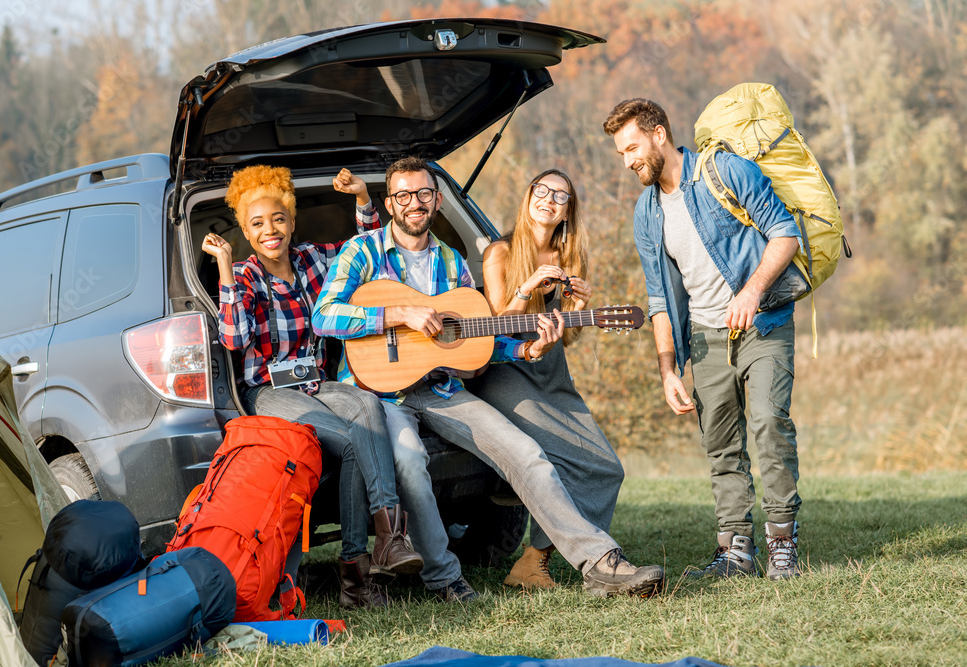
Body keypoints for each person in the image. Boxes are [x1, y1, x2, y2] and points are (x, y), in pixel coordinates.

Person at [312, 156, 665, 601]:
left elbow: (477, 338)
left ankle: (599, 562)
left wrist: (526, 348)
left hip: (443, 389)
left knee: (528, 453)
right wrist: (399, 314)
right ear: (390, 203)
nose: (414, 203)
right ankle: (444, 577)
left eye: (423, 194)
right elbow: (324, 315)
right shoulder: (361, 252)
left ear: (437, 200)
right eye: (403, 195)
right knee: (410, 461)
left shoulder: (452, 261)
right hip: (382, 392)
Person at [201, 164, 423, 608]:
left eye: (278, 219)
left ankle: (387, 541)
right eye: (258, 223)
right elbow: (232, 338)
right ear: (245, 228)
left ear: (292, 220)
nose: (270, 230)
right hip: (266, 391)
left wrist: (363, 199)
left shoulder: (313, 260)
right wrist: (225, 267)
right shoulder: (244, 276)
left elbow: (367, 250)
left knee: (367, 405)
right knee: (354, 442)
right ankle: (358, 570)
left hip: (316, 382)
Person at [603, 98, 804, 580]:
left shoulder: (724, 171)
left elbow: (785, 233)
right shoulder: (646, 212)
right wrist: (668, 367)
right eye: (621, 154)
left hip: (764, 324)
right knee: (720, 443)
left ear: (659, 133)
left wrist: (753, 291)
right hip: (705, 337)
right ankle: (735, 551)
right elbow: (658, 296)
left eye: (632, 147)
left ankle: (782, 544)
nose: (629, 161)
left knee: (769, 424)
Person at [466, 169, 626, 590]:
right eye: (542, 190)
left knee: (607, 468)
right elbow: (493, 326)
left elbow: (566, 336)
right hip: (505, 372)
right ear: (528, 196)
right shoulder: (500, 253)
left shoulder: (570, 259)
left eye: (561, 195)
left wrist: (577, 311)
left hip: (551, 371)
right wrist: (529, 286)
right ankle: (556, 561)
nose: (550, 199)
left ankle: (532, 560)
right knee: (561, 456)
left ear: (568, 211)